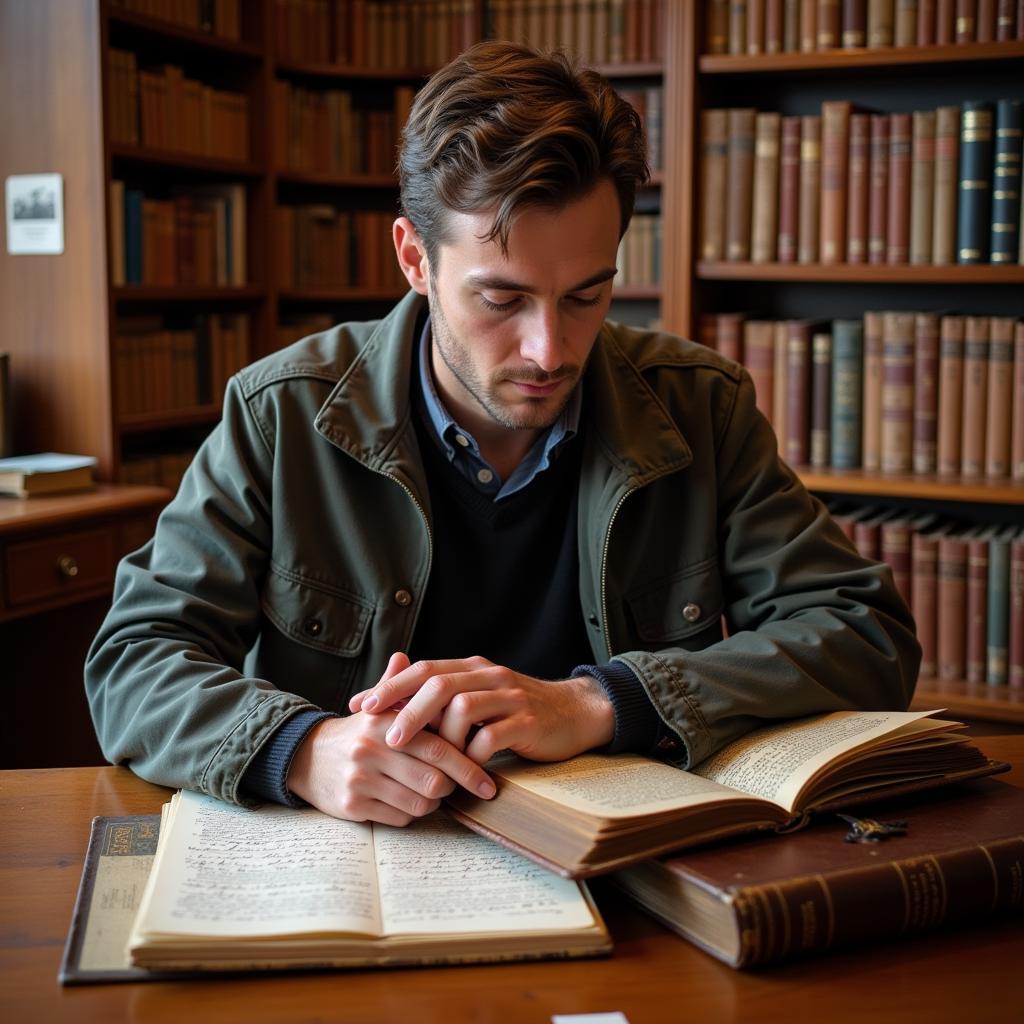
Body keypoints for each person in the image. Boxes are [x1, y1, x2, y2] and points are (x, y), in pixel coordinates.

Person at [85, 42, 920, 826]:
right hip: (361, 863)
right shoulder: (279, 415)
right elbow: (134, 659)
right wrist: (298, 748)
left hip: (625, 870)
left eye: (587, 295)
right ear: (415, 260)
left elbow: (862, 631)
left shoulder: (704, 405)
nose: (549, 350)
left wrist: (605, 699)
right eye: (502, 299)